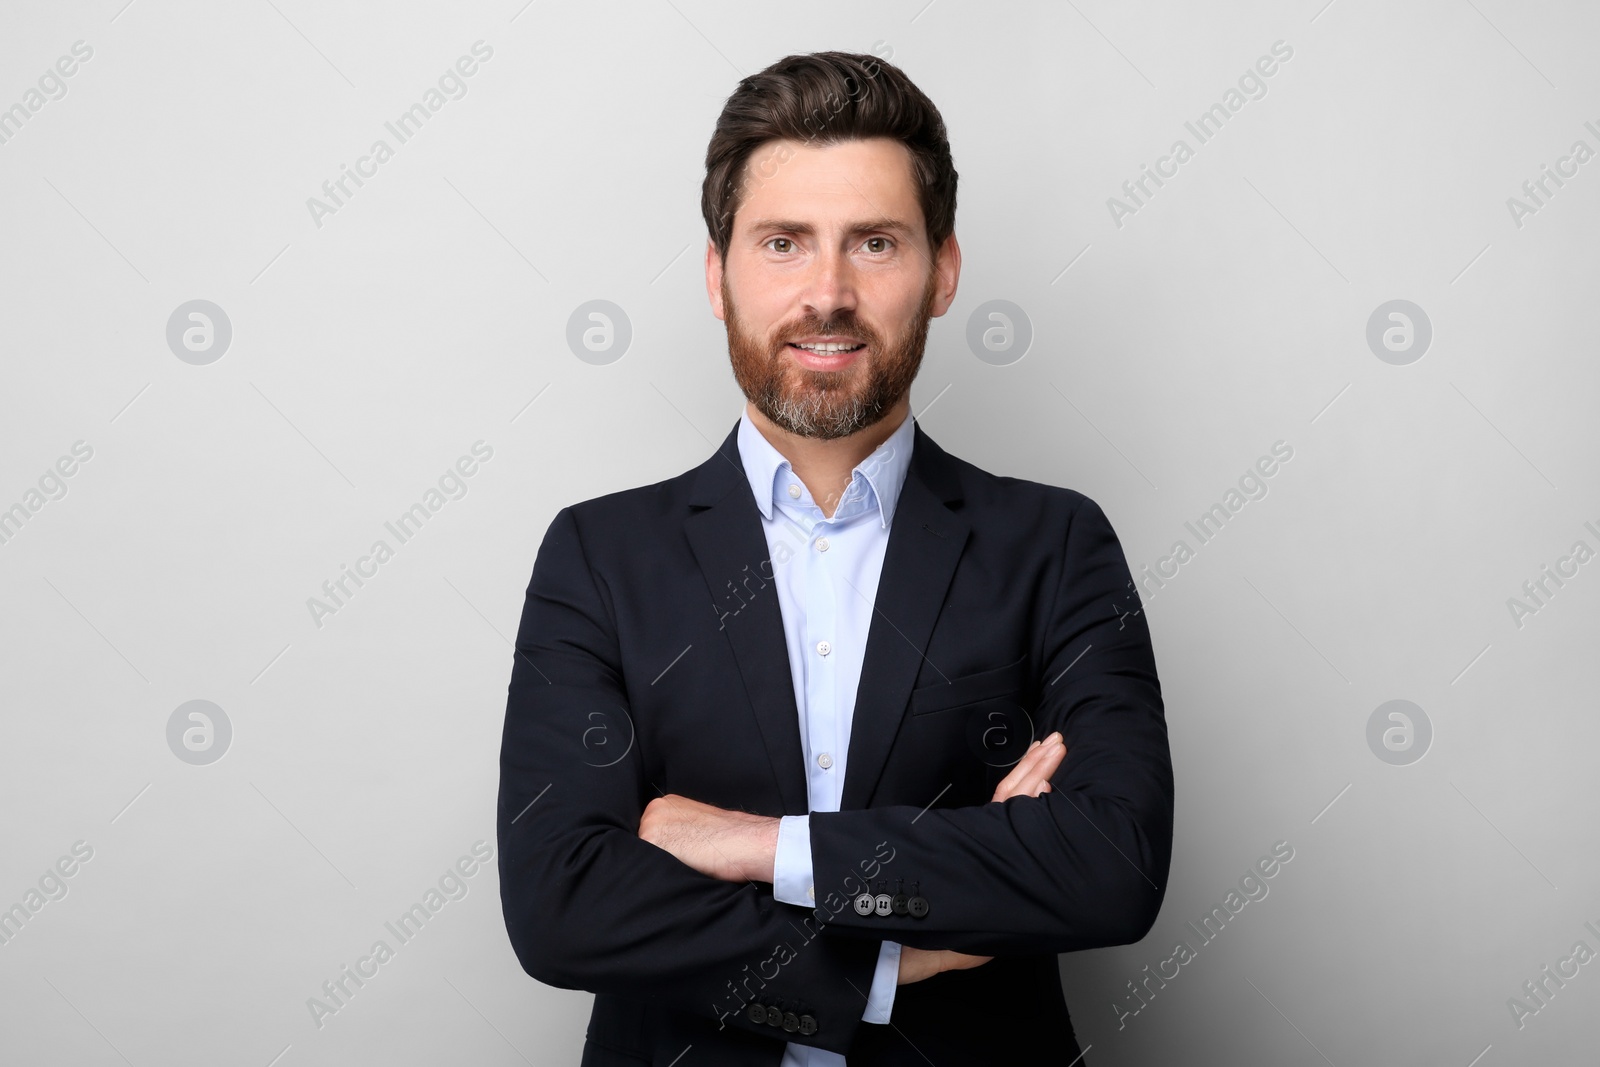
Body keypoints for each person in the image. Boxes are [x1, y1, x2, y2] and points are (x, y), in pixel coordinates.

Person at [497, 50, 1173, 1065]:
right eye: (782, 242)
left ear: (941, 271)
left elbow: (1110, 864)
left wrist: (758, 845)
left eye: (874, 242)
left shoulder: (1055, 544)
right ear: (717, 276)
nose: (827, 291)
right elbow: (562, 901)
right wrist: (885, 965)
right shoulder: (599, 555)